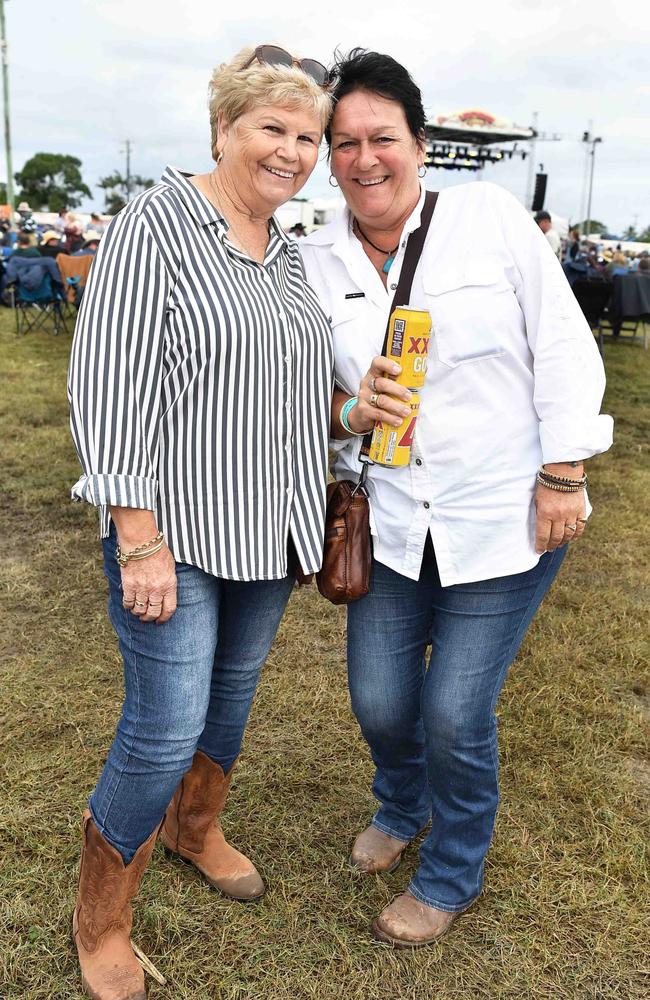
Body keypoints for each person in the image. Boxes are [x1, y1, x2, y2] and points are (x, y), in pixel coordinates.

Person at [301, 49, 613, 949]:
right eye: (346, 143)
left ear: (421, 142)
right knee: (381, 700)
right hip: (394, 523)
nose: (365, 159)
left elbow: (562, 346)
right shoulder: (317, 259)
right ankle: (401, 805)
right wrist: (349, 408)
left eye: (382, 138)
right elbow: (305, 402)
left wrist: (564, 473)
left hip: (503, 518)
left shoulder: (489, 220)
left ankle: (451, 870)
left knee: (454, 712)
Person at [68, 44, 332, 1000]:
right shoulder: (160, 222)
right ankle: (101, 918)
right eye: (273, 128)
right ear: (223, 128)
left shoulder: (289, 248)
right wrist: (136, 533)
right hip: (173, 531)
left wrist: (353, 418)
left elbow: (296, 389)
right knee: (164, 722)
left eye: (308, 136)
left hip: (266, 530)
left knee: (230, 700)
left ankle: (195, 828)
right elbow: (106, 383)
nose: (293, 151)